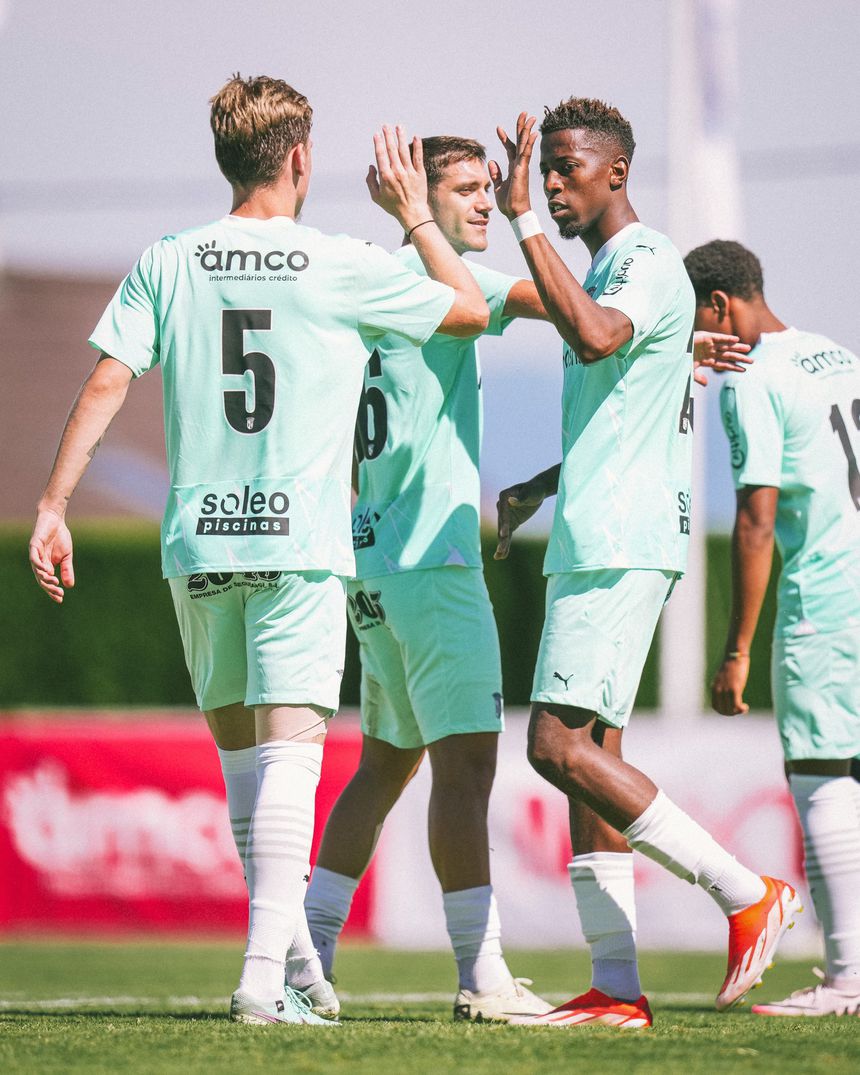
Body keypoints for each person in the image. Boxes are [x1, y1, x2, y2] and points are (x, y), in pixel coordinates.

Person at [27, 74, 489, 1027]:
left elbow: (110, 378)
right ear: (300, 158)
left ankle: (295, 965)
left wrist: (54, 503)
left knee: (246, 773)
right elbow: (470, 308)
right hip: (297, 545)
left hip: (200, 545)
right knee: (291, 761)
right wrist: (415, 213)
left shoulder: (171, 257)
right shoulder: (334, 260)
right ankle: (259, 977)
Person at [489, 99, 800, 1028]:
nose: (552, 183)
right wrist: (542, 484)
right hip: (607, 532)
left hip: (618, 543)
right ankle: (616, 986)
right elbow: (621, 410)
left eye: (567, 168)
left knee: (554, 746)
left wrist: (519, 217)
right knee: (592, 756)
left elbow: (595, 335)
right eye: (545, 170)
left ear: (616, 172)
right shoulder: (613, 272)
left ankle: (746, 890)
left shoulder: (644, 258)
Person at [283, 135, 552, 1023]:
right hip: (433, 565)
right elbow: (549, 305)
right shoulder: (438, 283)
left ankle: (308, 950)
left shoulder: (368, 283)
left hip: (371, 562)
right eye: (464, 188)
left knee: (385, 764)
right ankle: (483, 976)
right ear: (420, 198)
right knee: (466, 765)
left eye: (486, 187)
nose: (482, 202)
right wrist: (662, 333)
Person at [686, 238, 860, 1018]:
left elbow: (756, 521)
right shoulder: (837, 353)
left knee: (822, 777)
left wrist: (735, 649)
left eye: (695, 319)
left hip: (828, 596)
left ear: (720, 305)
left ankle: (847, 978)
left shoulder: (752, 377)